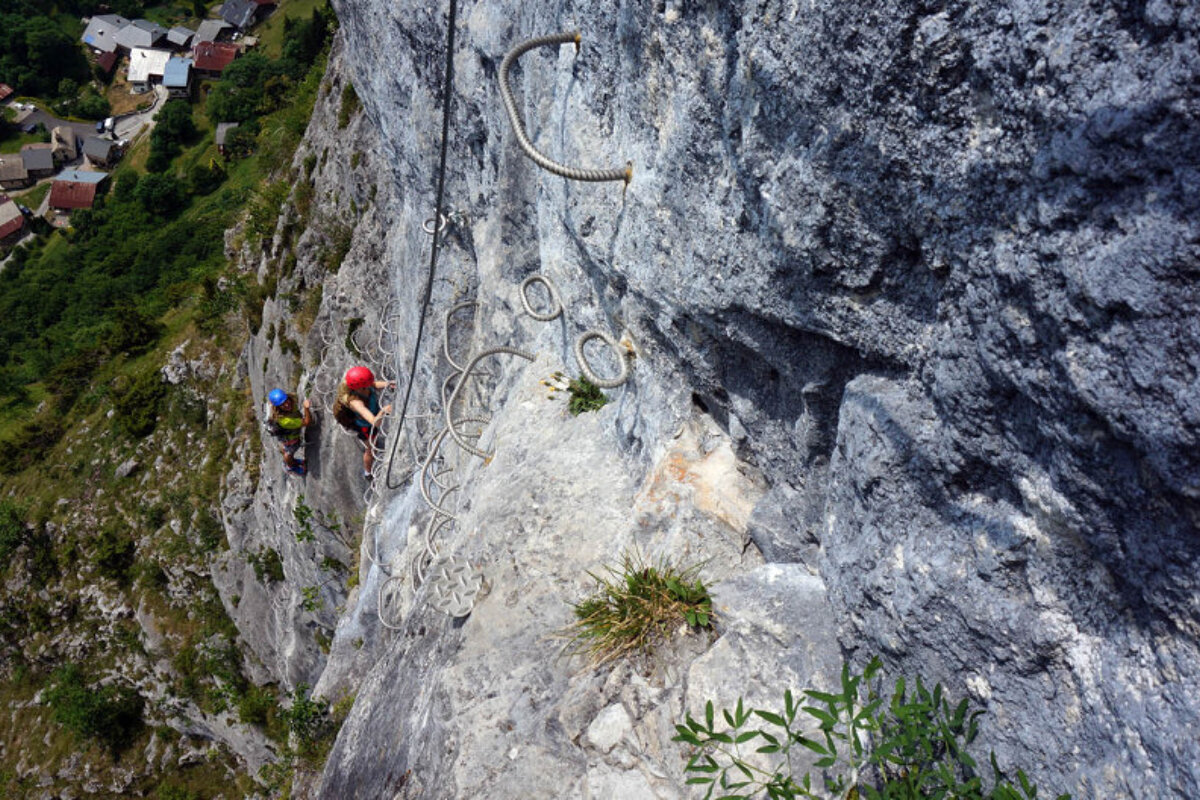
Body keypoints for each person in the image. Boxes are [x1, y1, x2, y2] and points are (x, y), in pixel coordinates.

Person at [336, 366, 395, 479]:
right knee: (370, 448)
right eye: (367, 384)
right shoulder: (355, 402)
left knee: (373, 443)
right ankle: (367, 472)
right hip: (365, 426)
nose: (370, 384)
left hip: (371, 418)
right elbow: (374, 422)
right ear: (360, 388)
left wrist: (388, 383)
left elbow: (374, 385)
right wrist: (383, 411)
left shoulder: (363, 386)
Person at [267, 388, 312, 476]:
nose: (287, 404)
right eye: (283, 405)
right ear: (278, 407)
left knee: (286, 451)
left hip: (289, 435)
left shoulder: (291, 401)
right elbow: (307, 422)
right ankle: (291, 467)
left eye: (286, 401)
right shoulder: (284, 421)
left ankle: (293, 462)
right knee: (289, 453)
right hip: (290, 440)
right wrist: (306, 408)